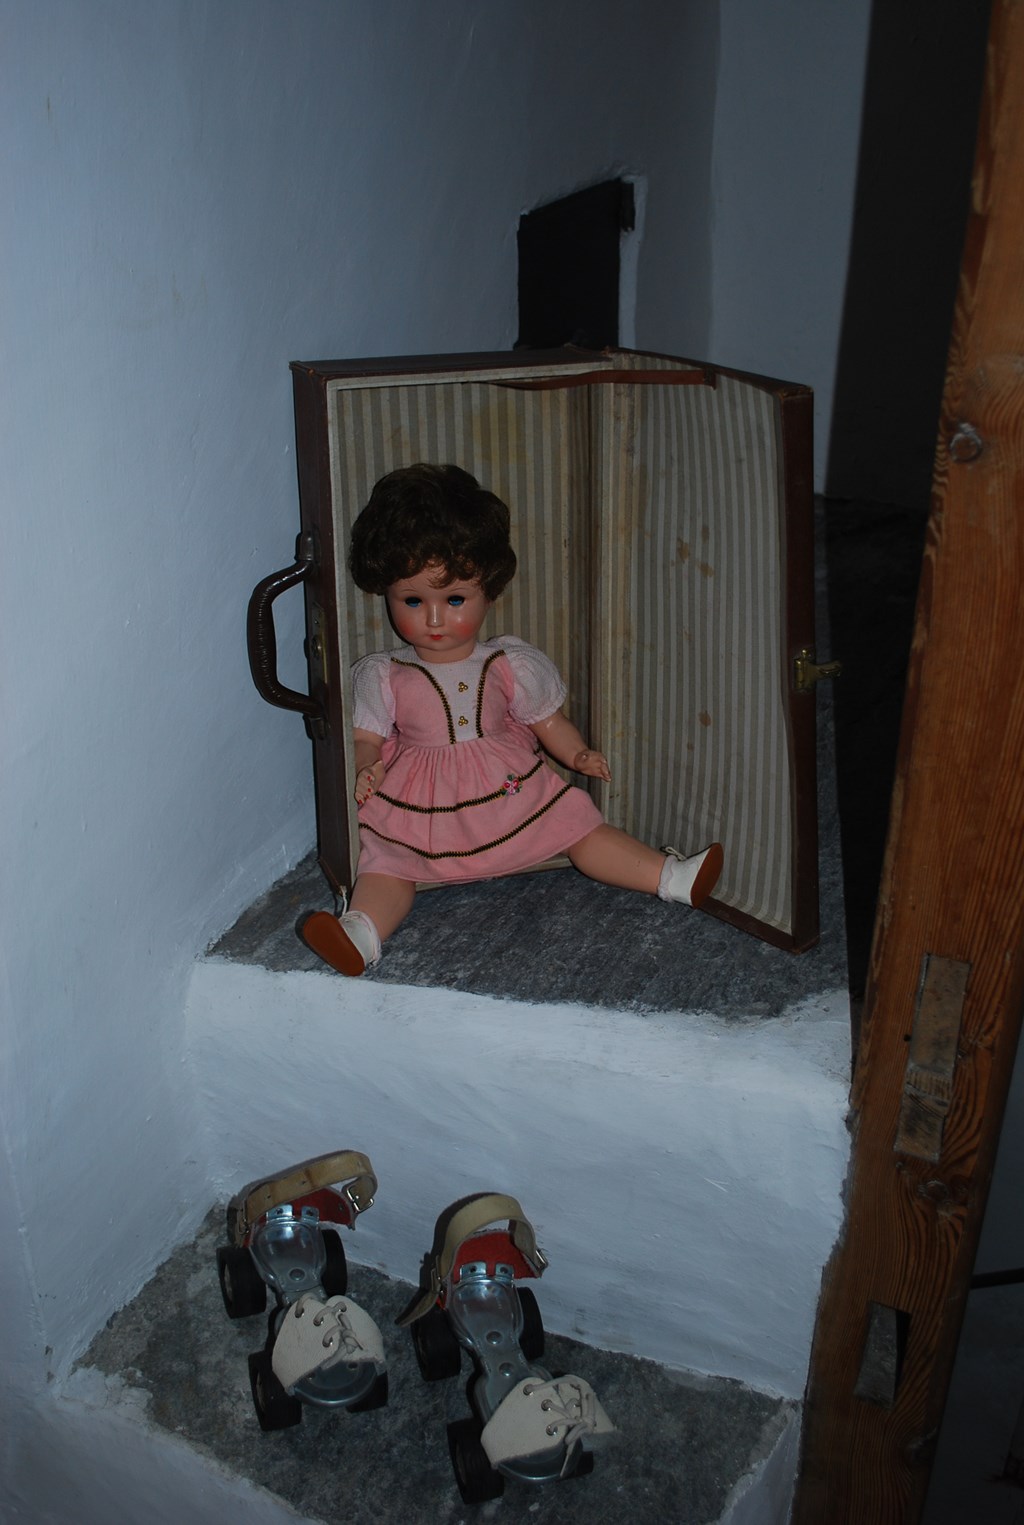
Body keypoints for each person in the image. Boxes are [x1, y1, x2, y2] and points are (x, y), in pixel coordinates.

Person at [302, 463, 723, 976]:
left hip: (507, 787)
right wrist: (366, 764)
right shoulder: (384, 672)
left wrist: (576, 753)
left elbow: (547, 720)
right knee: (388, 862)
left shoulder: (507, 662)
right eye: (412, 600)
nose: (433, 619)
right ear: (387, 594)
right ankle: (360, 934)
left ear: (489, 591)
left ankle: (671, 877)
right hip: (423, 800)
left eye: (455, 599)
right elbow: (366, 736)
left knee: (578, 826)